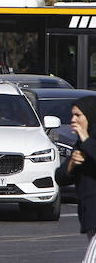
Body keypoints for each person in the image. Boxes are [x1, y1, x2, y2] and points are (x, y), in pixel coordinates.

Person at [57, 96, 96, 248]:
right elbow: (61, 177)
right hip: (90, 217)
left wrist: (86, 140)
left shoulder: (87, 143)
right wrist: (72, 163)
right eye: (72, 115)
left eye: (78, 115)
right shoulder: (81, 144)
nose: (73, 119)